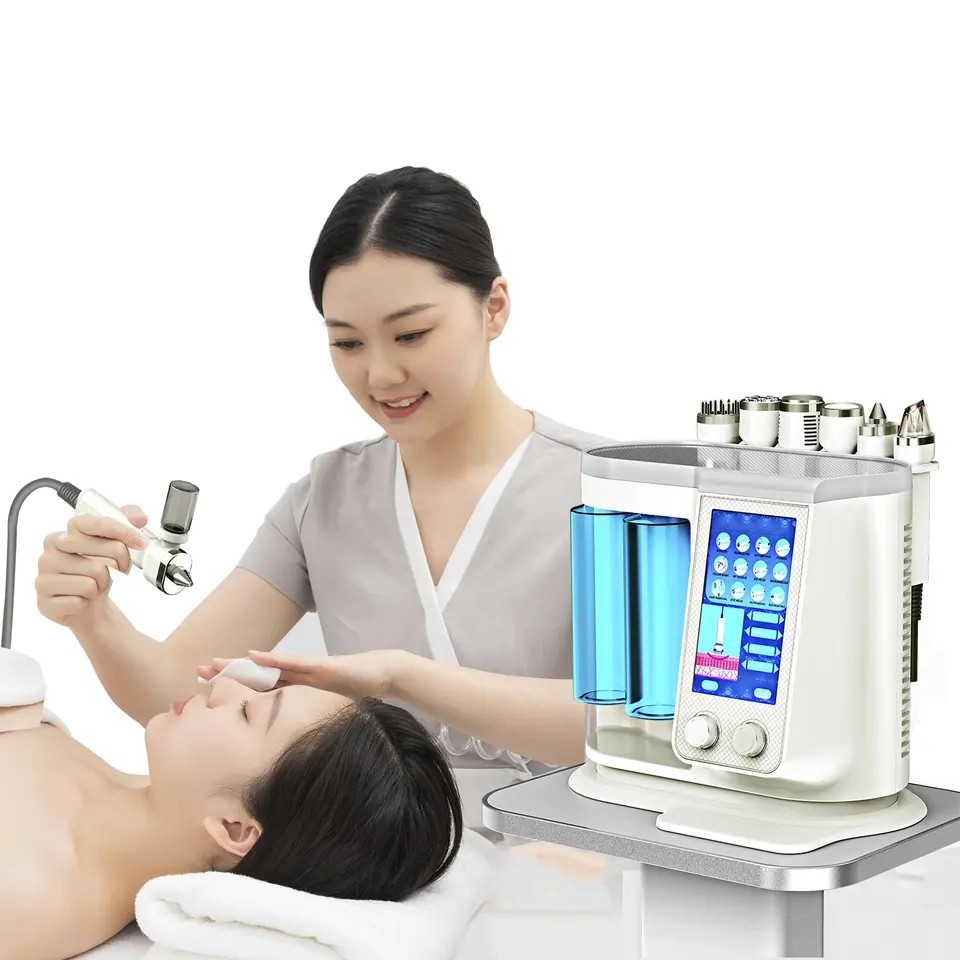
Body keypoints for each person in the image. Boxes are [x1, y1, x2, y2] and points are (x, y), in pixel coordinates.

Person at [34, 165, 611, 824]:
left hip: (579, 856)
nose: (380, 374)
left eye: (412, 334)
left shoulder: (610, 492)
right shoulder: (323, 502)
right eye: (347, 342)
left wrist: (402, 677)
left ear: (494, 308)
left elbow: (646, 727)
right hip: (385, 863)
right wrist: (93, 619)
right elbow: (176, 693)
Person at [0, 649, 462, 960]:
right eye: (261, 691)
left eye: (248, 713)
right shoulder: (119, 791)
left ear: (235, 828)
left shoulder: (26, 898)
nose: (225, 688)